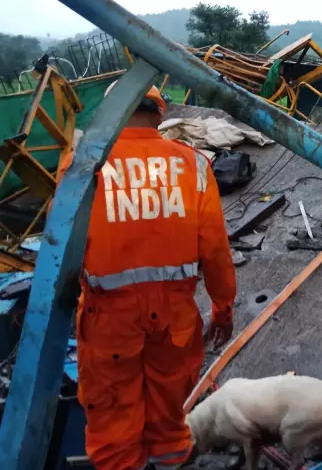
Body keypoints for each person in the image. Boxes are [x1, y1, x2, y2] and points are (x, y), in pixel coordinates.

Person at [55, 82, 237, 470]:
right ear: (160, 113)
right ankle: (171, 463)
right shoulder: (192, 163)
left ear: (113, 113)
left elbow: (61, 244)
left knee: (113, 423)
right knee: (170, 418)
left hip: (109, 318)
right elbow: (216, 247)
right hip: (175, 318)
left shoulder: (82, 163)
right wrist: (222, 306)